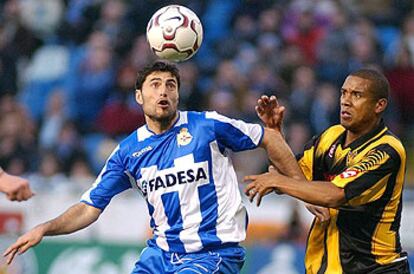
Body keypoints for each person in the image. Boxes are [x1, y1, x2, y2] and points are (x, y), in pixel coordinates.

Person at [3, 61, 300, 274]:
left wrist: (301, 187)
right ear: (139, 96)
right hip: (160, 257)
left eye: (171, 86)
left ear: (178, 95)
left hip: (213, 254)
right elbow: (89, 207)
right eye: (155, 85)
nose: (164, 92)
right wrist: (44, 227)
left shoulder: (207, 125)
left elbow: (268, 138)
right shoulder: (128, 152)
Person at [245, 69, 410, 273]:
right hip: (325, 267)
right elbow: (291, 174)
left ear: (380, 105)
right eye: (344, 93)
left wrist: (280, 182)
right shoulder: (331, 136)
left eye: (357, 95)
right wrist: (274, 134)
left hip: (374, 268)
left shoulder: (386, 150)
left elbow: (336, 194)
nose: (346, 101)